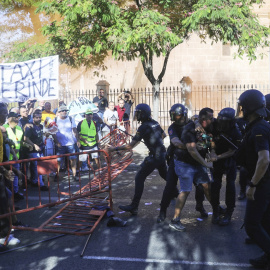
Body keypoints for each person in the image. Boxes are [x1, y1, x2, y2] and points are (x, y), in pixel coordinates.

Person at [107, 103, 167, 215]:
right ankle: (175, 193)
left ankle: (134, 206)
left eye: (138, 113)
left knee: (139, 177)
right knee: (165, 175)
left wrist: (113, 149)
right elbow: (163, 135)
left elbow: (130, 146)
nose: (137, 116)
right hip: (163, 154)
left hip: (155, 157)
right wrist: (153, 141)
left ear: (143, 114)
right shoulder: (154, 123)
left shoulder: (143, 127)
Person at [235, 89, 270, 269]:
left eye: (242, 105)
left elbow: (264, 159)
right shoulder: (258, 126)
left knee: (252, 225)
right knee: (265, 221)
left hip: (262, 183)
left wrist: (253, 184)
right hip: (265, 181)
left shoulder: (259, 129)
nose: (240, 109)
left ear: (249, 107)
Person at [169, 107, 214, 232]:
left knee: (206, 185)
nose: (178, 118)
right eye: (175, 115)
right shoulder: (185, 128)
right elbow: (186, 147)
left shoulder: (198, 123)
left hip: (197, 162)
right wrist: (193, 148)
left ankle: (216, 209)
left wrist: (210, 150)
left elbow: (209, 139)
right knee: (185, 190)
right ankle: (175, 220)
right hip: (184, 162)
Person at [209, 108, 242, 225]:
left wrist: (218, 156)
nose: (222, 124)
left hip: (230, 159)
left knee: (230, 185)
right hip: (217, 157)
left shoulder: (236, 131)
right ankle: (215, 211)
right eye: (220, 121)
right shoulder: (215, 124)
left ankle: (229, 213)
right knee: (215, 185)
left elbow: (232, 151)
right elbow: (211, 137)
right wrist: (212, 151)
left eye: (225, 122)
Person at [157, 103, 187, 223]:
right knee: (169, 185)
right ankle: (162, 211)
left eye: (176, 115)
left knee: (202, 185)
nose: (174, 117)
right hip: (176, 158)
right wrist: (191, 147)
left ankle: (201, 207)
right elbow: (176, 142)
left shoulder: (191, 125)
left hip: (191, 159)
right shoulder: (172, 127)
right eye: (172, 115)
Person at [52, 105, 80, 182]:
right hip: (60, 145)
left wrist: (77, 140)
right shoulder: (55, 120)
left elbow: (74, 130)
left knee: (73, 160)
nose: (64, 112)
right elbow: (53, 132)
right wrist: (57, 142)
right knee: (58, 161)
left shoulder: (70, 119)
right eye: (63, 111)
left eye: (66, 111)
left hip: (70, 144)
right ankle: (57, 175)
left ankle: (74, 175)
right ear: (59, 112)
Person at [24, 111, 48, 191]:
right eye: (37, 117)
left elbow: (41, 135)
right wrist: (34, 145)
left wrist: (46, 135)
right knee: (38, 167)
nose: (39, 119)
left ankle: (35, 181)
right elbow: (26, 138)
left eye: (40, 117)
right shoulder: (30, 127)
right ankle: (41, 184)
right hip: (33, 150)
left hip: (41, 149)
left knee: (37, 167)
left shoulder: (41, 126)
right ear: (33, 118)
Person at [3, 112, 24, 201]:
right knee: (8, 178)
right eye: (14, 118)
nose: (16, 119)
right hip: (6, 158)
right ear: (8, 119)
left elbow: (21, 141)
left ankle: (15, 193)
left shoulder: (19, 128)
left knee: (15, 177)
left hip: (16, 157)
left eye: (17, 118)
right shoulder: (4, 128)